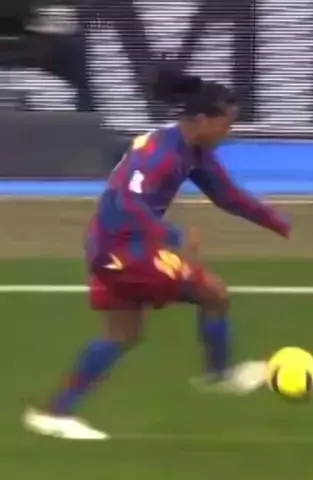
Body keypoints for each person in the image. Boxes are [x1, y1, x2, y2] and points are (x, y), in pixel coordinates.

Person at [22, 69, 291, 440]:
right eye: (226, 124)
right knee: (212, 293)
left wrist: (277, 222)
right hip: (122, 248)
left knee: (122, 334)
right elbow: (126, 202)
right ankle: (219, 374)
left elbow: (227, 194)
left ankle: (53, 413)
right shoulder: (160, 156)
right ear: (203, 119)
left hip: (115, 244)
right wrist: (172, 234)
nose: (228, 133)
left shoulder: (191, 150)